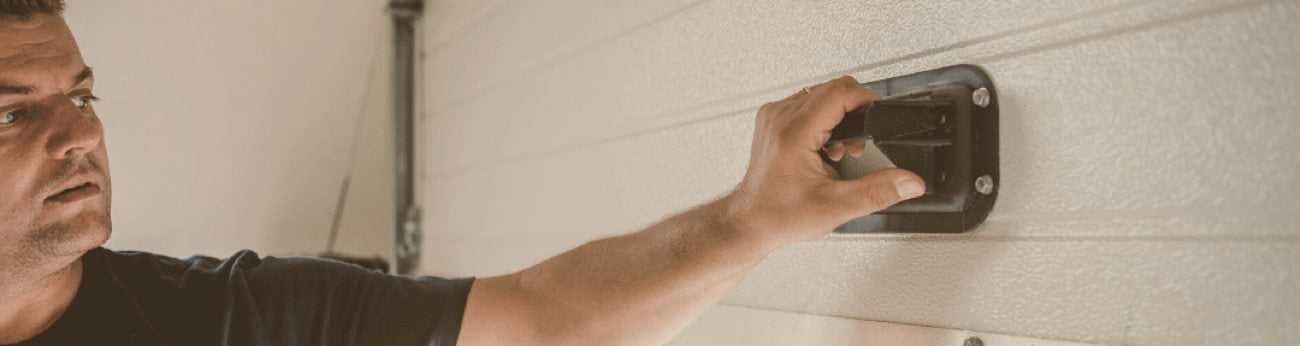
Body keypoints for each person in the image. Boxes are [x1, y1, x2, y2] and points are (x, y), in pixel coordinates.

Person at [0, 1, 926, 345]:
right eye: (13, 110)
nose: (80, 134)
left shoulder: (231, 320)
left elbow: (538, 319)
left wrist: (745, 221)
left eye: (84, 95)